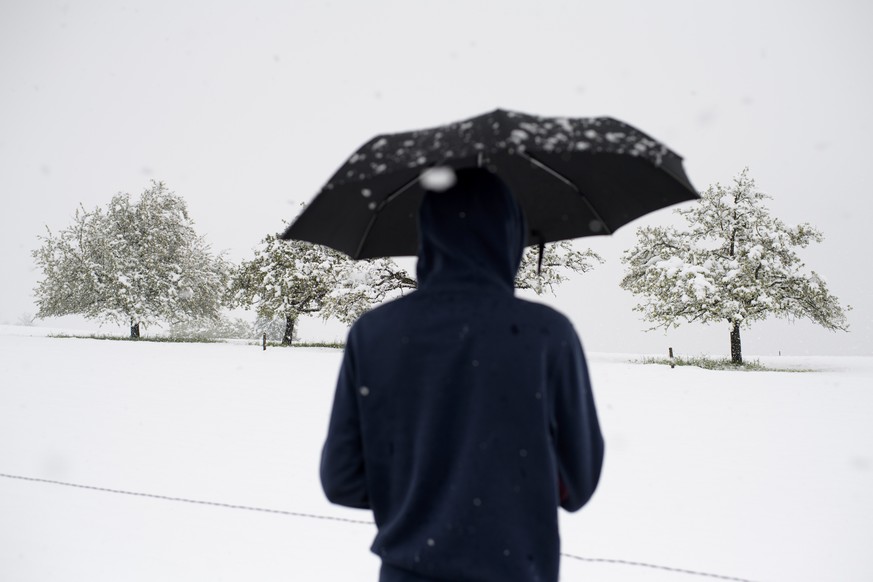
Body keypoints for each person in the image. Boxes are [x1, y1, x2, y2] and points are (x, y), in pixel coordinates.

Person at [320, 167, 604, 582]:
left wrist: (420, 496)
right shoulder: (548, 335)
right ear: (511, 235)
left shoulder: (374, 332)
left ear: (426, 235)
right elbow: (577, 483)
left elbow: (342, 479)